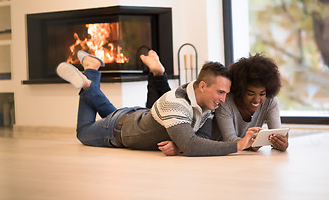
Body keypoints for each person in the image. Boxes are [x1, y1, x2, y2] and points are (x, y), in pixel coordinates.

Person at [56, 50, 259, 156]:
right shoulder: (177, 103)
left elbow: (201, 136)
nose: (223, 100)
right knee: (83, 132)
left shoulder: (205, 102)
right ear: (203, 86)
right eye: (221, 92)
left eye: (226, 94)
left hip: (133, 117)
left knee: (113, 115)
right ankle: (87, 81)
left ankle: (92, 69)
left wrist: (179, 146)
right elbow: (192, 145)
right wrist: (237, 145)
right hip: (118, 131)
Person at [212, 54, 289, 151]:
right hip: (219, 156)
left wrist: (280, 143)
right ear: (240, 90)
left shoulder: (270, 101)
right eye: (250, 93)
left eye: (262, 94)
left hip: (247, 158)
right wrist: (251, 144)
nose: (257, 100)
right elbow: (229, 140)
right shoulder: (225, 101)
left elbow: (275, 134)